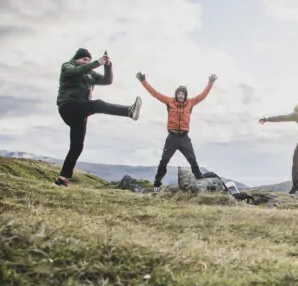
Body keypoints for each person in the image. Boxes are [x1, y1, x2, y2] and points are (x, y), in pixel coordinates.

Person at [54, 48, 142, 187]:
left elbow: (108, 80)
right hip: (68, 106)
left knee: (77, 146)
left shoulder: (90, 74)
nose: (87, 62)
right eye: (84, 59)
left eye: (89, 60)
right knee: (98, 104)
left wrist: (107, 65)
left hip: (81, 111)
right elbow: (77, 71)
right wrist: (97, 62)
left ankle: (62, 178)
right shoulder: (67, 67)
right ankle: (128, 111)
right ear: (77, 59)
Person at [135, 71, 217, 191]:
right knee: (164, 161)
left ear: (185, 95)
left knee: (192, 160)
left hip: (184, 138)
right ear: (176, 95)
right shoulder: (169, 102)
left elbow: (202, 96)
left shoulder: (190, 103)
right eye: (178, 94)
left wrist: (210, 82)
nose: (180, 96)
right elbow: (155, 94)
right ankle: (157, 184)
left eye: (182, 94)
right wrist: (143, 81)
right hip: (172, 137)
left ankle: (199, 179)